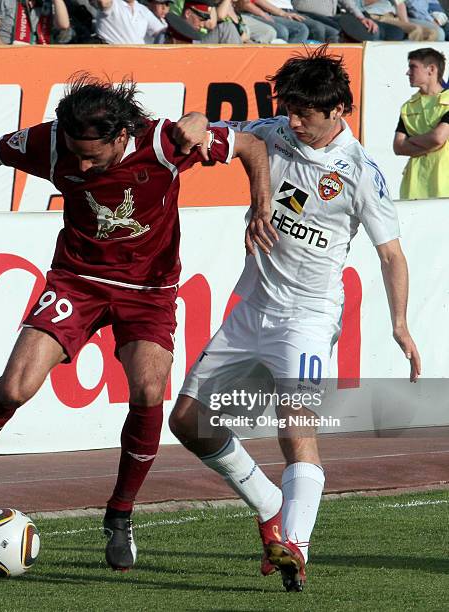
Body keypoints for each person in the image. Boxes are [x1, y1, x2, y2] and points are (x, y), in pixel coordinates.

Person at [0, 74, 270, 572]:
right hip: (77, 280)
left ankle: (120, 514)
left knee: (148, 390)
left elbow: (249, 144)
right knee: (14, 388)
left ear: (122, 136)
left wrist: (261, 204)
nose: (79, 165)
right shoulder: (51, 142)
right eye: (74, 154)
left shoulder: (166, 143)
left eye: (91, 157)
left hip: (149, 291)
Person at [170, 46, 421, 592]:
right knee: (186, 422)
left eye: (306, 112)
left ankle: (296, 545)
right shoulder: (275, 131)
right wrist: (193, 123)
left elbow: (391, 255)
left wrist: (399, 324)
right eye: (291, 108)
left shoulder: (361, 174)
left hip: (307, 317)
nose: (295, 120)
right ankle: (269, 505)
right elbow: (222, 132)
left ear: (338, 109)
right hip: (251, 311)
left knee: (295, 424)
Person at [394, 47, 449, 199]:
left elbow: (438, 137)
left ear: (431, 69)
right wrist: (430, 144)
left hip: (444, 186)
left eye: (413, 67)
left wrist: (410, 141)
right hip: (414, 187)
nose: (407, 72)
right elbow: (398, 147)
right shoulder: (408, 106)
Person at [0, 0, 71, 44]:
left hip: (38, 57)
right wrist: (8, 53)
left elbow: (64, 25)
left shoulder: (47, 4)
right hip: (7, 52)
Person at [92, 0, 166, 43]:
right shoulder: (113, 3)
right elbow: (103, 3)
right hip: (113, 57)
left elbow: (161, 32)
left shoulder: (142, 9)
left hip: (139, 58)